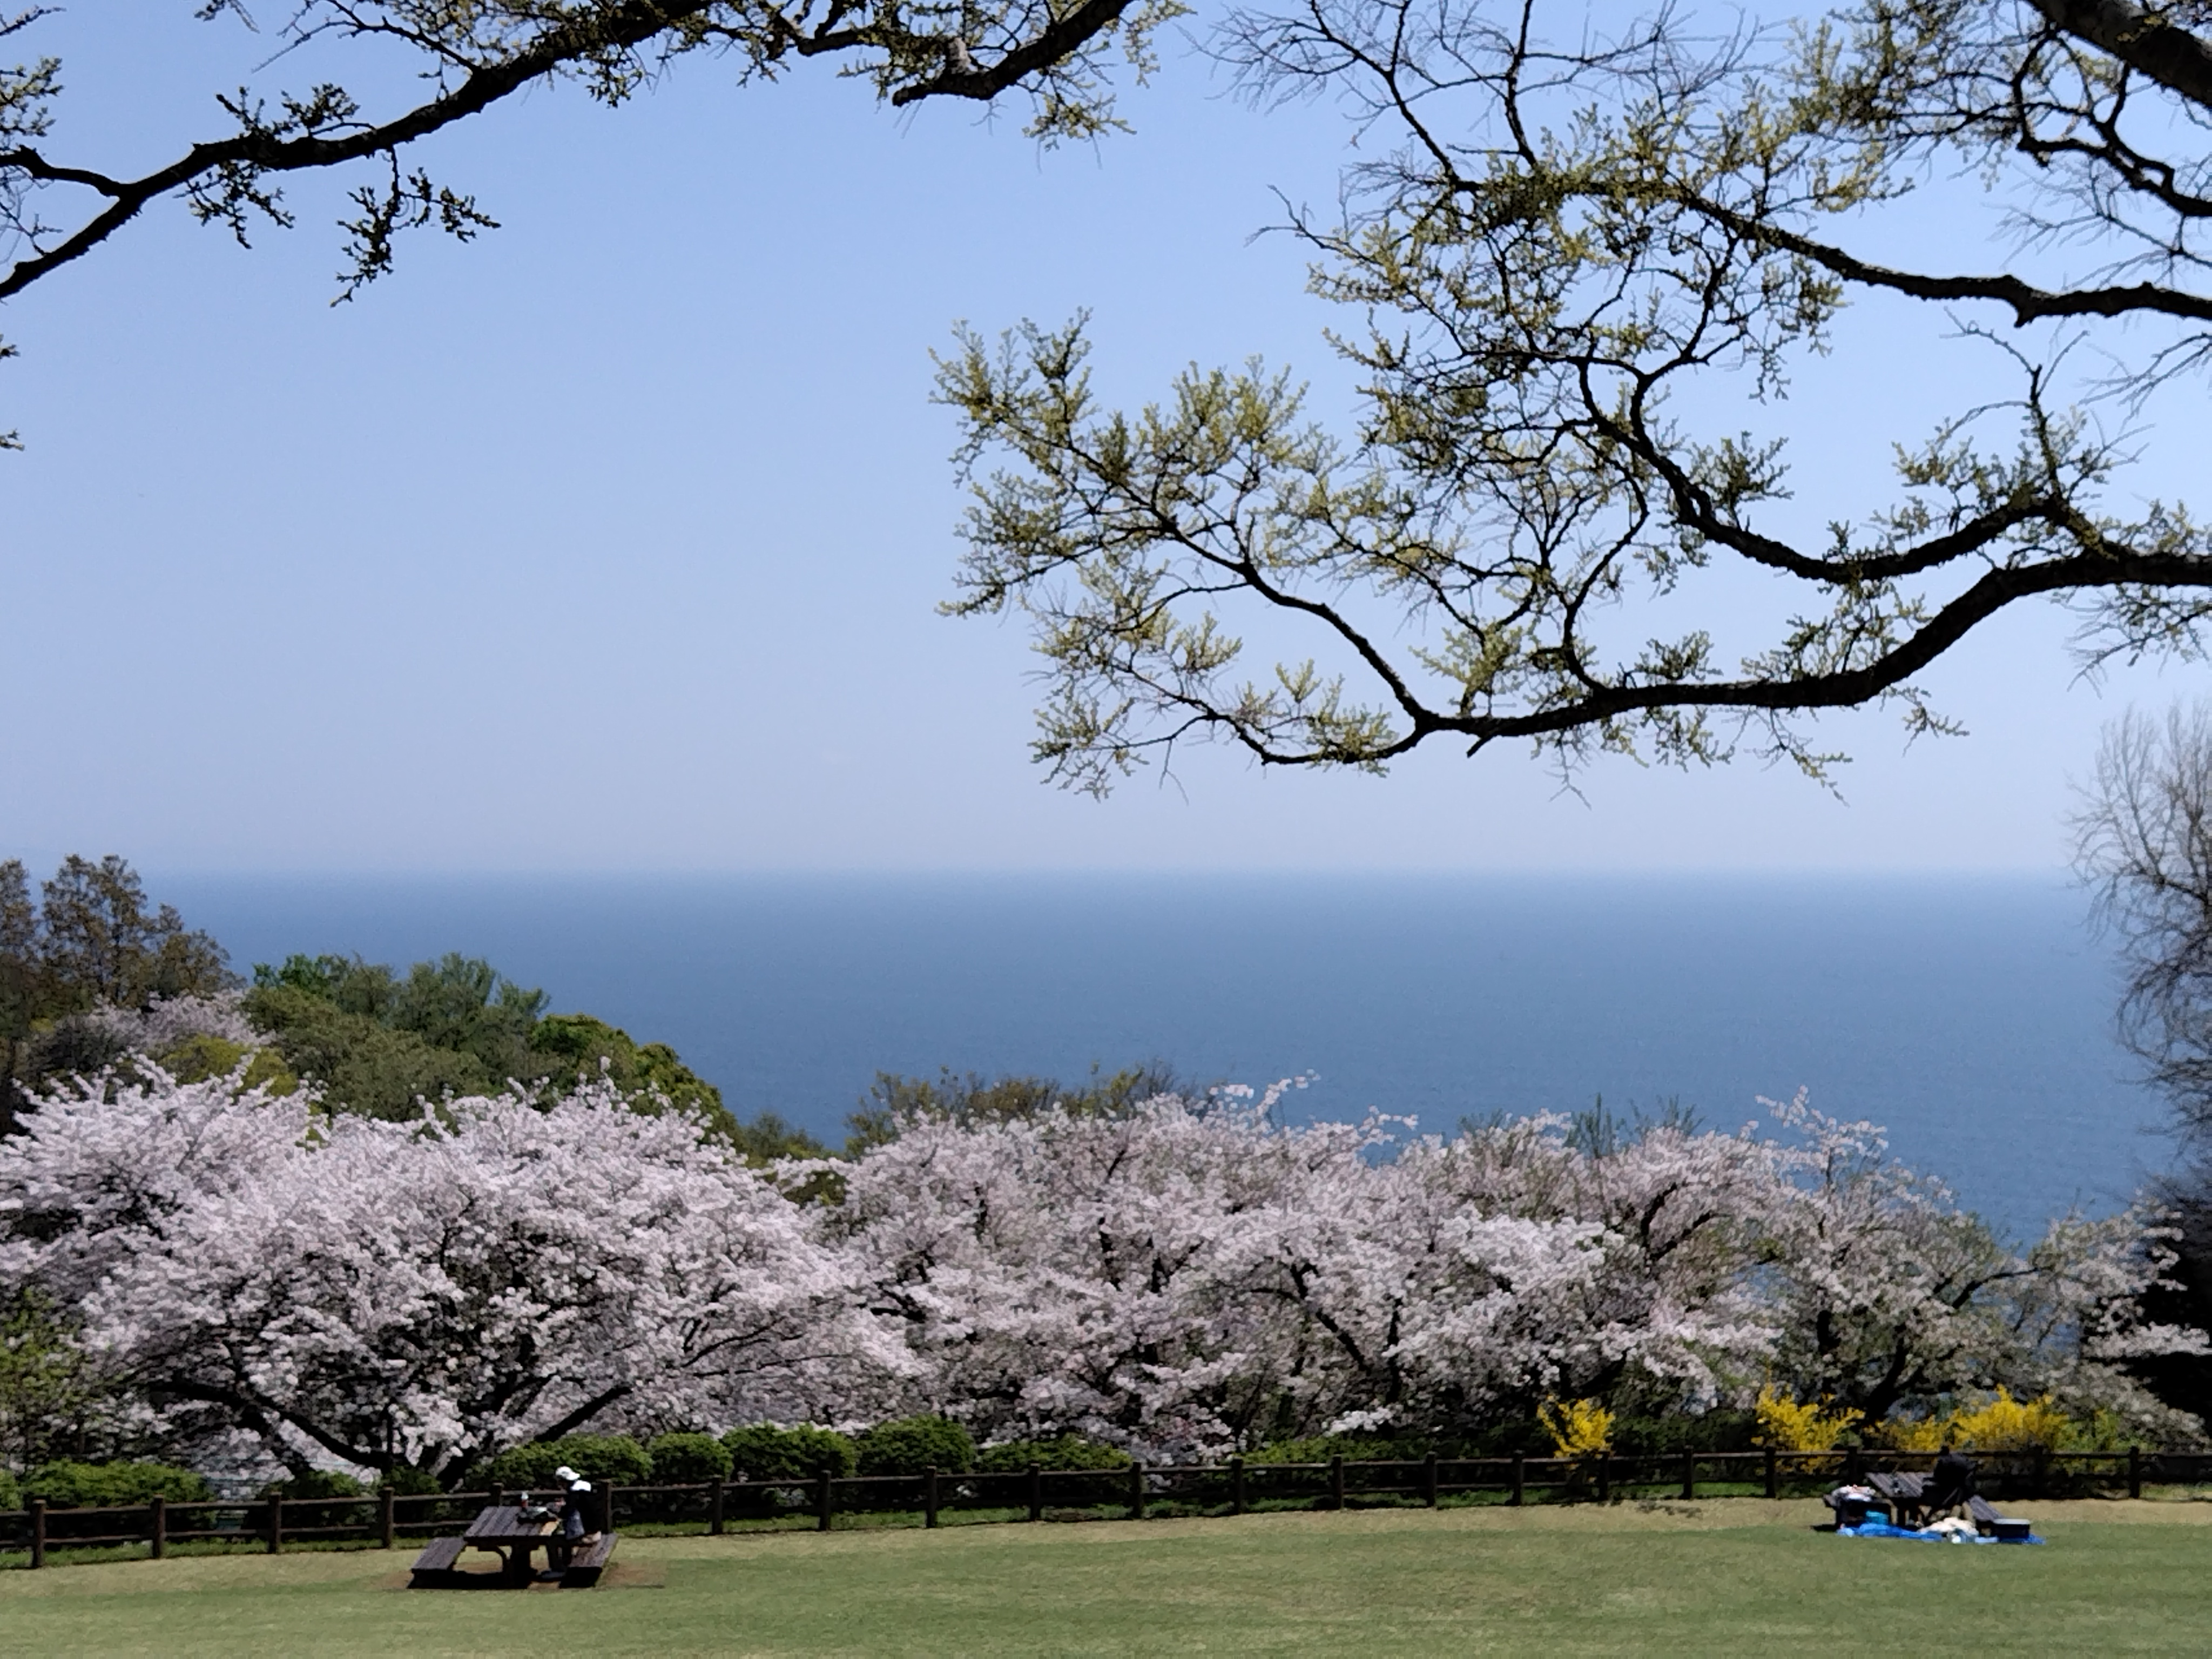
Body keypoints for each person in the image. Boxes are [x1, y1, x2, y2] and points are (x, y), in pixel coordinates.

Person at [548, 1464, 594, 1571]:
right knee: (565, 1535)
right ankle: (566, 1563)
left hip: (587, 1534)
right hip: (594, 1530)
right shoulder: (585, 1487)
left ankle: (558, 1569)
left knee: (552, 1542)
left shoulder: (574, 1493)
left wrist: (557, 1511)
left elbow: (568, 1514)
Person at [1924, 1441, 1975, 1520]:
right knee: (1961, 1502)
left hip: (1957, 1487)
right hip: (1966, 1483)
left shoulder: (1943, 1460)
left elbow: (1938, 1477)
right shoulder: (1958, 1456)